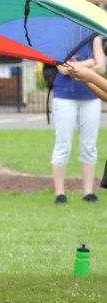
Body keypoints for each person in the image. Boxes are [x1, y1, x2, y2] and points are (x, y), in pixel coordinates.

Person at [48, 36, 103, 204]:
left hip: (90, 97)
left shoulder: (93, 36)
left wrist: (78, 66)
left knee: (89, 145)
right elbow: (63, 69)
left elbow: (101, 67)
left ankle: (88, 192)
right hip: (64, 96)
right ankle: (60, 193)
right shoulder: (62, 36)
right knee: (63, 144)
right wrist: (90, 62)